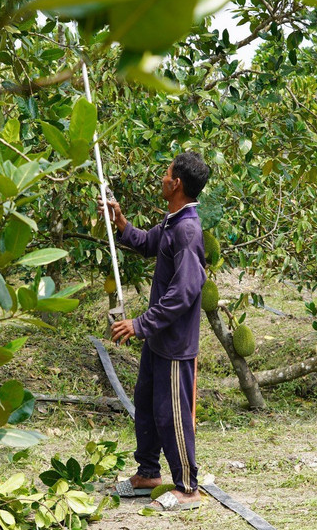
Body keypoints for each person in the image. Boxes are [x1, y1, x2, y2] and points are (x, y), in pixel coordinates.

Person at [100, 151, 211, 513]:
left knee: (172, 414)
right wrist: (121, 224)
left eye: (166, 175)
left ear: (176, 183)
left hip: (175, 345)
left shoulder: (189, 231)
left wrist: (139, 324)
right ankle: (148, 473)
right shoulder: (173, 223)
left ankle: (187, 487)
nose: (162, 179)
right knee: (146, 406)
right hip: (157, 341)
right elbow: (147, 243)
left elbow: (184, 293)